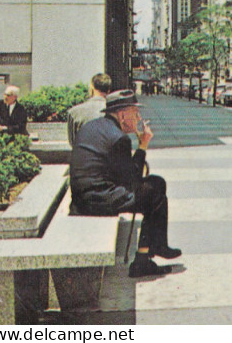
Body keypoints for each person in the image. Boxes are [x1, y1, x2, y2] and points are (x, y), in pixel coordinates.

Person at [69, 88, 181, 278]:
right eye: (135, 113)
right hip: (98, 199)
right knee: (154, 192)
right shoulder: (118, 138)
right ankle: (143, 260)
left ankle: (156, 246)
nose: (139, 118)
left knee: (156, 184)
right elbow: (132, 181)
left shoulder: (96, 126)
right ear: (122, 115)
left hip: (84, 195)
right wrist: (143, 145)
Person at [67, 73, 112, 147]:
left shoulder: (74, 112)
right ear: (109, 90)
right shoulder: (117, 112)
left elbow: (73, 143)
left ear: (92, 88)